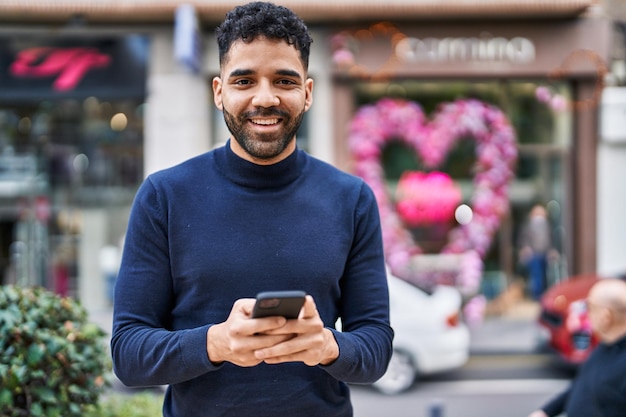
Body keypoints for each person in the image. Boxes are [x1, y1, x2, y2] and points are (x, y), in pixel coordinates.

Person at [110, 2, 394, 416]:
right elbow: (128, 355)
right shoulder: (164, 196)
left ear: (308, 93)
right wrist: (216, 343)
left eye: (284, 80)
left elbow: (376, 348)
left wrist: (327, 345)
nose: (265, 98)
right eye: (244, 80)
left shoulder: (351, 199)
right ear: (219, 91)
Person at [527, 278, 626, 417]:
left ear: (606, 317)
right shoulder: (605, 346)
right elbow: (582, 383)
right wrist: (546, 411)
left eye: (589, 307)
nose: (587, 314)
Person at [518, 204, 558, 300]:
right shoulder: (528, 225)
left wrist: (552, 250)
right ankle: (537, 297)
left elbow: (551, 240)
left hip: (545, 254)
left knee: (545, 276)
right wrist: (526, 249)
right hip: (534, 254)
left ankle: (544, 296)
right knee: (537, 276)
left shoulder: (547, 225)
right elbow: (524, 239)